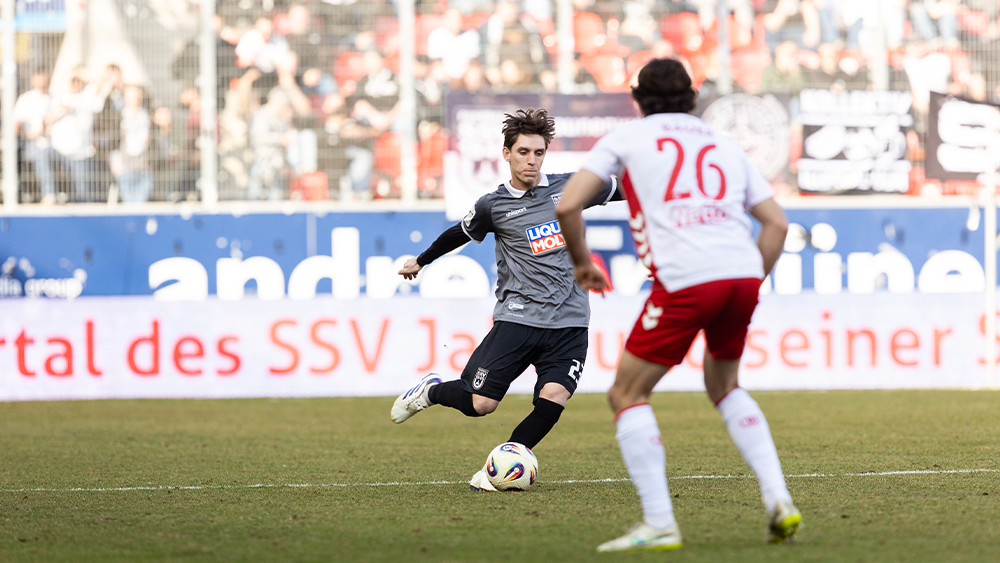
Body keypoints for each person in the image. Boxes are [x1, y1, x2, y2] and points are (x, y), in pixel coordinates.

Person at [555, 58, 800, 551]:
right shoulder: (724, 143)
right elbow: (776, 223)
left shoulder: (627, 138)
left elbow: (566, 203)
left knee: (626, 394)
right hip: (741, 274)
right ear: (693, 97)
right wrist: (749, 280)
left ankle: (660, 523)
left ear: (637, 98)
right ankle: (779, 500)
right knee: (725, 384)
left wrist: (582, 264)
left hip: (687, 280)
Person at [390, 108, 622, 491]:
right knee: (480, 404)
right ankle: (429, 391)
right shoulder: (493, 206)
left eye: (539, 153)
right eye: (524, 152)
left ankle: (500, 467)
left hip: (570, 322)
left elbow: (628, 187)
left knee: (555, 397)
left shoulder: (572, 187)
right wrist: (422, 260)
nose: (532, 161)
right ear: (506, 154)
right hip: (518, 319)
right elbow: (458, 234)